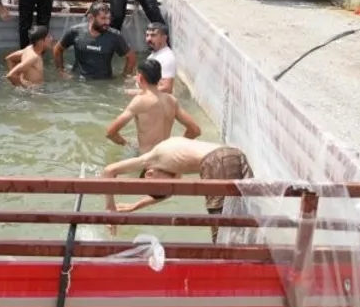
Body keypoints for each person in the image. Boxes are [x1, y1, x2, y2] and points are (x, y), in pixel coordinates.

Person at [102, 136, 255, 242]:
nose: (169, 189)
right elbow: (169, 189)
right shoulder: (173, 161)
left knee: (221, 228)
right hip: (235, 155)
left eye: (161, 187)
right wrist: (135, 206)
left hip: (216, 161)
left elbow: (109, 171)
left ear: (149, 174)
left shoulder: (150, 159)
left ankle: (227, 272)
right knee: (245, 216)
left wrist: (110, 209)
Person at [106, 58, 201, 156]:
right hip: (166, 157)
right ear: (159, 78)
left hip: (147, 159)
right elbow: (195, 130)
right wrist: (176, 146)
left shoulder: (139, 101)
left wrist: (127, 144)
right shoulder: (172, 100)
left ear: (140, 78)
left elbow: (110, 133)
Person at [52, 1, 136, 80]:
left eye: (108, 18)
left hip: (104, 83)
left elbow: (131, 57)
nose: (107, 22)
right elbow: (57, 49)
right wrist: (61, 71)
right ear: (91, 17)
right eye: (103, 18)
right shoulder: (75, 31)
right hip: (78, 81)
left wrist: (124, 78)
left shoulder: (115, 36)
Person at [144, 22, 177, 94]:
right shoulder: (156, 54)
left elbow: (167, 88)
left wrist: (139, 92)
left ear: (164, 38)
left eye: (153, 35)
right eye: (147, 35)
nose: (149, 39)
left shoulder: (167, 58)